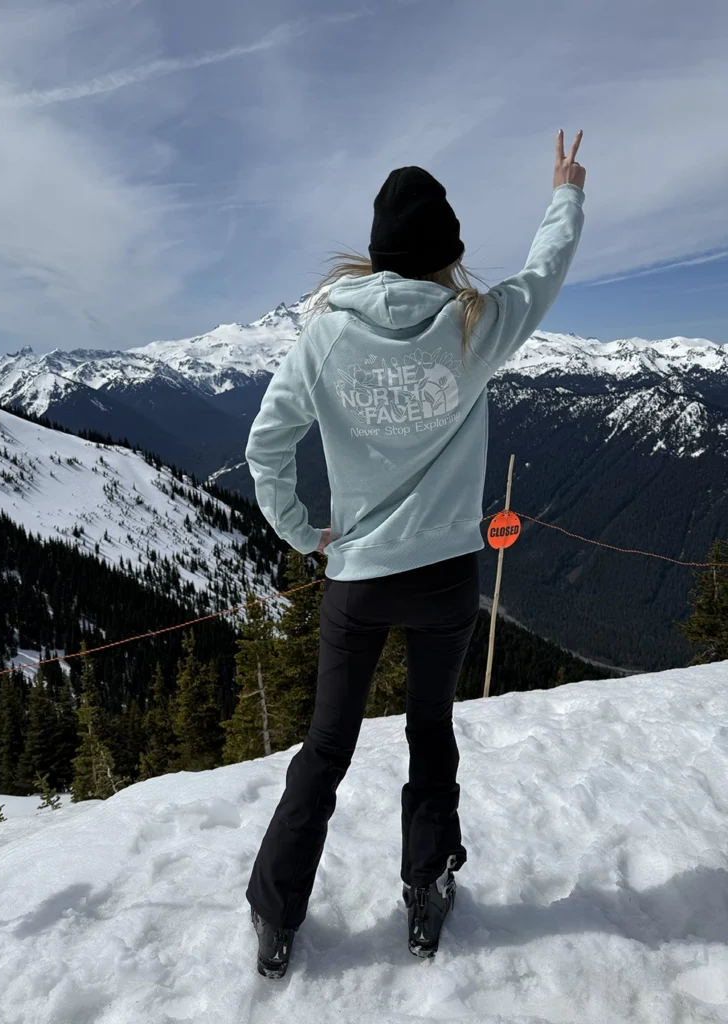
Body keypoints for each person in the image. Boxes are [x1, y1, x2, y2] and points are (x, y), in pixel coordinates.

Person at [244, 130, 587, 978]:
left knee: (327, 748)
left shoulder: (322, 337)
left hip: (356, 579)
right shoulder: (475, 327)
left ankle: (276, 912)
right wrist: (566, 191)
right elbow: (545, 273)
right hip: (443, 580)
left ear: (377, 251)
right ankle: (426, 895)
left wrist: (301, 531)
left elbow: (266, 445)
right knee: (430, 732)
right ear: (446, 256)